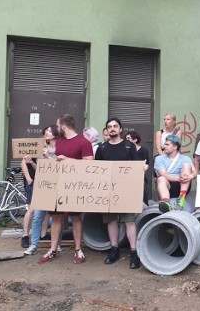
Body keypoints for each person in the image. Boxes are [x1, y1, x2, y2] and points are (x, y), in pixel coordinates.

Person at [38, 114, 93, 264]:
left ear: (63, 126)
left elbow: (90, 163)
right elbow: (57, 162)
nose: (56, 129)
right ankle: (53, 249)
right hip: (58, 185)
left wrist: (69, 160)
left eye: (57, 125)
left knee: (75, 217)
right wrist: (48, 159)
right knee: (55, 217)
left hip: (76, 186)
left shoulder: (83, 142)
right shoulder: (60, 142)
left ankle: (78, 249)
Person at [96, 118, 141, 269]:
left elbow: (136, 167)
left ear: (120, 129)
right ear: (107, 130)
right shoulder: (102, 148)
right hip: (108, 190)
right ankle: (114, 249)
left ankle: (134, 253)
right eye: (109, 127)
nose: (112, 129)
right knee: (111, 221)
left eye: (115, 126)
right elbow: (97, 170)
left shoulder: (129, 146)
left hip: (126, 190)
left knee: (129, 221)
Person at [21, 124, 58, 253]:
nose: (46, 132)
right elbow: (39, 170)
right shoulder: (41, 147)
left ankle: (56, 244)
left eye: (49, 131)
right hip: (41, 185)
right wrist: (31, 162)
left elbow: (59, 168)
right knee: (37, 216)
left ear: (55, 134)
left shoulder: (61, 149)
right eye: (46, 130)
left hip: (56, 185)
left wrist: (48, 156)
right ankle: (34, 244)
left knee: (56, 218)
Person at [156, 135, 197, 212]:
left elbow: (195, 172)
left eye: (167, 144)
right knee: (161, 178)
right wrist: (179, 178)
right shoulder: (159, 159)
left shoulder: (185, 158)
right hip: (167, 186)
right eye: (165, 144)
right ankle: (165, 202)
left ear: (175, 147)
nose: (164, 146)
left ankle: (181, 199)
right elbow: (163, 174)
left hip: (182, 186)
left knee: (186, 165)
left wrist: (190, 177)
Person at [125, 131, 151, 205]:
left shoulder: (143, 151)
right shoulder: (126, 150)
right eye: (126, 138)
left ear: (135, 140)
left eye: (128, 138)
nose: (127, 140)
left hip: (140, 176)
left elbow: (146, 164)